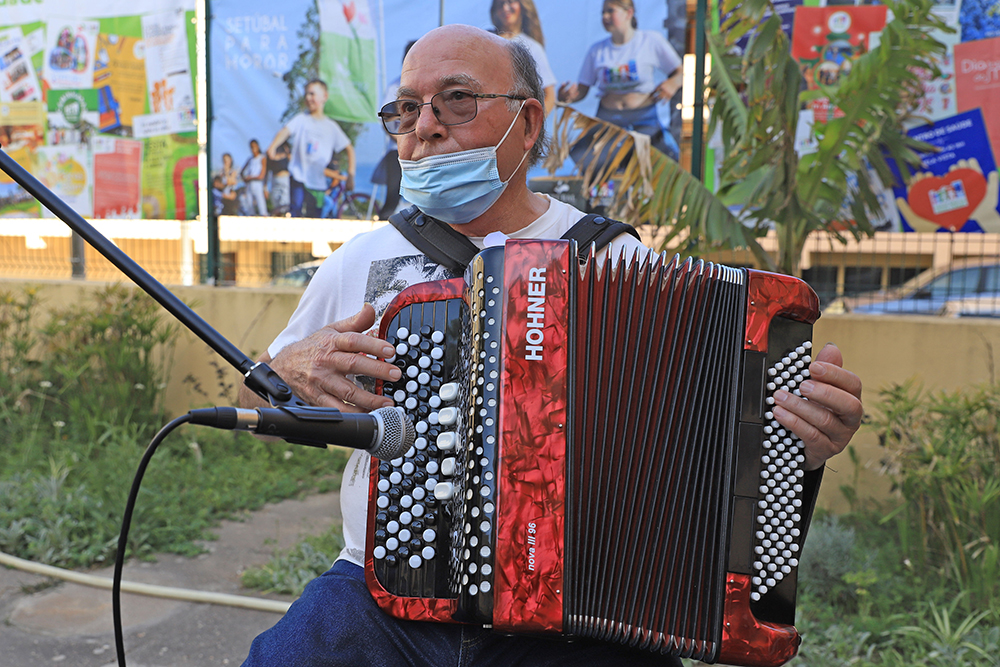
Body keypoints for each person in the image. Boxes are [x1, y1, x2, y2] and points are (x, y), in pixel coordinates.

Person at [239, 25, 864, 667]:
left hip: (582, 605)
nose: (423, 126)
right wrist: (286, 367)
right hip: (384, 590)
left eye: (456, 99)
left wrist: (799, 440)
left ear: (528, 122)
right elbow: (259, 399)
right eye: (406, 108)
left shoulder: (615, 261)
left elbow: (709, 437)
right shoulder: (360, 258)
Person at [558, 0, 683, 162]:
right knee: (583, 156)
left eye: (611, 11)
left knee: (666, 160)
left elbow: (681, 72)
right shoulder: (597, 50)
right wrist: (568, 96)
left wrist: (672, 83)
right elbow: (582, 90)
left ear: (629, 13)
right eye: (603, 13)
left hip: (644, 119)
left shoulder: (650, 40)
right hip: (608, 119)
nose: (605, 16)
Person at [267, 79, 356, 218]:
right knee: (296, 210)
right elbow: (285, 131)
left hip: (318, 183)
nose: (308, 98)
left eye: (312, 94)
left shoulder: (330, 127)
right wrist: (273, 146)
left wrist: (350, 176)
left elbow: (349, 149)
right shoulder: (301, 119)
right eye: (306, 95)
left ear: (324, 96)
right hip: (299, 177)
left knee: (314, 217)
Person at [490, 0, 557, 113]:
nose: (505, 8)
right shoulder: (484, 40)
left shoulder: (532, 47)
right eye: (500, 4)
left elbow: (549, 95)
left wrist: (534, 120)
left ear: (522, 6)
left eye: (510, 2)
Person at [240, 139, 268, 216]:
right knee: (249, 205)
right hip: (249, 185)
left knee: (261, 204)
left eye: (254, 147)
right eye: (251, 147)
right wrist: (245, 178)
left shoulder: (262, 158)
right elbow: (242, 172)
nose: (253, 149)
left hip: (258, 184)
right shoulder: (250, 159)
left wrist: (250, 177)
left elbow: (262, 175)